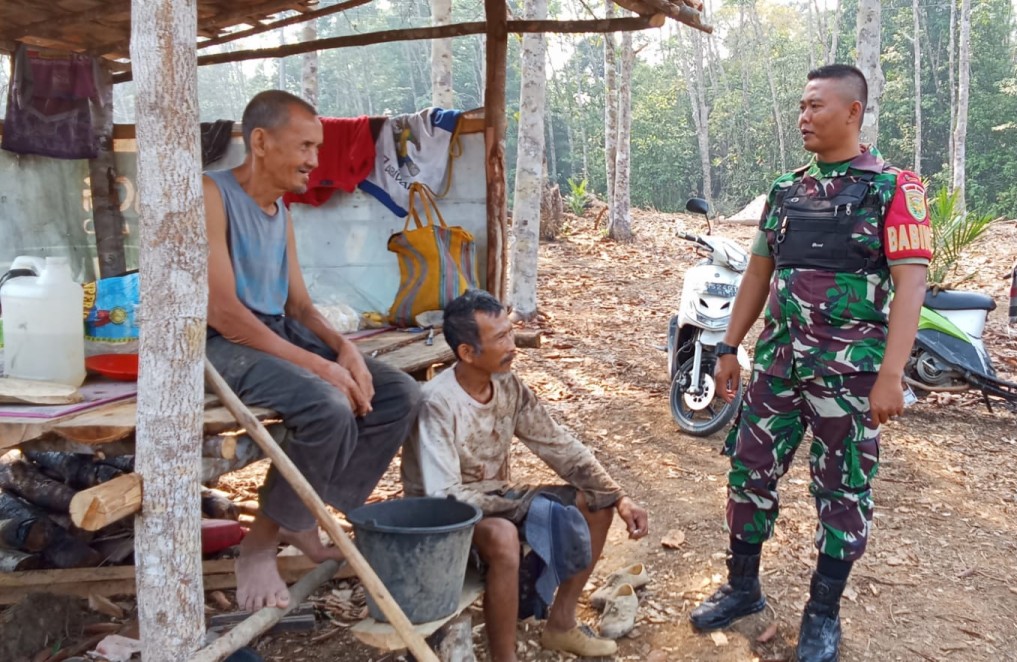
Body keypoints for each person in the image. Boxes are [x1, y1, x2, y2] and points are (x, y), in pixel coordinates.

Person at [688, 65, 932, 662]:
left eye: (816, 106)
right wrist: (727, 347)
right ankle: (743, 588)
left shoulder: (894, 189)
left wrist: (892, 375)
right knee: (748, 476)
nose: (803, 116)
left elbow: (911, 285)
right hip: (778, 368)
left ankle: (823, 612)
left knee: (842, 491)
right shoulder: (785, 190)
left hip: (850, 376)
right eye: (800, 106)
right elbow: (757, 275)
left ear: (853, 112)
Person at [204, 90, 422, 612]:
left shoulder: (279, 211)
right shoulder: (211, 194)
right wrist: (319, 366)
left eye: (317, 148)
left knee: (399, 393)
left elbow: (299, 305)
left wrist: (344, 349)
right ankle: (258, 546)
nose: (314, 161)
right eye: (304, 146)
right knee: (326, 404)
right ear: (260, 142)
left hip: (275, 329)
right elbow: (225, 313)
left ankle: (303, 514)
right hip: (219, 342)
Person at [402, 290, 650, 661]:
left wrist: (618, 496)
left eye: (509, 331)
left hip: (493, 498)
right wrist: (520, 506)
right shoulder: (436, 403)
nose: (512, 344)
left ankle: (561, 625)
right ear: (467, 353)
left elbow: (558, 444)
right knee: (502, 535)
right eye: (499, 337)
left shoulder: (507, 384)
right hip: (439, 522)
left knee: (596, 505)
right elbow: (443, 498)